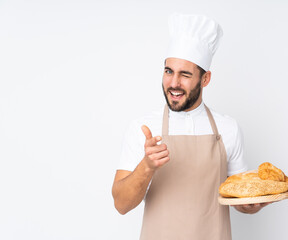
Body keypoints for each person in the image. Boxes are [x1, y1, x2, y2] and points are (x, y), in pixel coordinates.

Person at [112, 13, 271, 240]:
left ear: (205, 79)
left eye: (185, 74)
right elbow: (121, 204)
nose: (174, 83)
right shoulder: (144, 127)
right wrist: (147, 166)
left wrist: (253, 204)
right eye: (169, 71)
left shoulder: (228, 129)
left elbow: (239, 199)